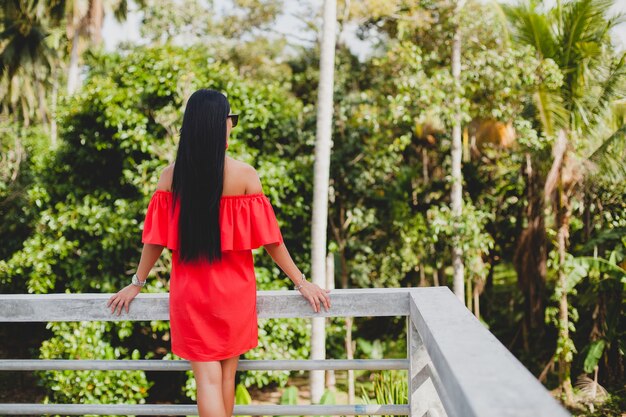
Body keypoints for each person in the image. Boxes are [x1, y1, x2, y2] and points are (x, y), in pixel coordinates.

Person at [106, 88, 331, 417]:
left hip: (191, 293)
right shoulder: (244, 175)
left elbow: (154, 239)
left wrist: (137, 282)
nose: (232, 126)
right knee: (226, 377)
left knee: (210, 381)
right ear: (219, 123)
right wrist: (301, 282)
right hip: (235, 293)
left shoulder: (170, 177)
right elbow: (271, 241)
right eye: (231, 119)